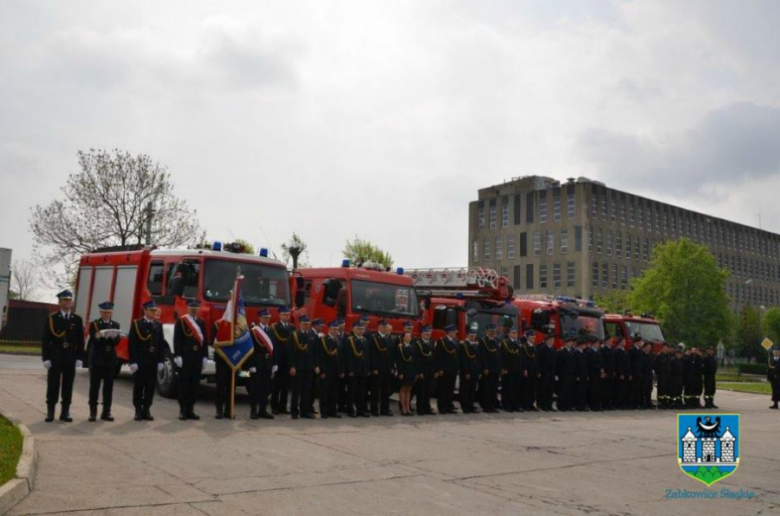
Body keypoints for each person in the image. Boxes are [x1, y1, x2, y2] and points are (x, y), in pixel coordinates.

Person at [42, 290, 85, 423]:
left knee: (68, 385)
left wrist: (79, 357)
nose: (68, 302)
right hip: (56, 354)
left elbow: (80, 340)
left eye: (69, 300)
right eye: (65, 300)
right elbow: (46, 339)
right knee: (53, 384)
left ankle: (65, 412)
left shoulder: (77, 319)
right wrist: (46, 358)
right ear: (59, 302)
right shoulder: (52, 318)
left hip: (70, 355)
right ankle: (50, 411)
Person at [128, 300, 165, 421]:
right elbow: (132, 344)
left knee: (150, 387)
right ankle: (138, 410)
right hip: (140, 361)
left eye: (155, 310)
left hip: (153, 361)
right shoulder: (137, 324)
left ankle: (146, 409)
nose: (154, 312)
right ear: (145, 310)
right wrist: (133, 361)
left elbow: (160, 344)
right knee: (139, 386)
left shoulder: (158, 325)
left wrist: (161, 360)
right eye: (151, 310)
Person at [173, 300, 208, 420]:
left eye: (196, 308)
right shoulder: (182, 321)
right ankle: (182, 410)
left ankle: (190, 409)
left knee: (194, 385)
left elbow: (204, 341)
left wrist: (205, 356)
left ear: (198, 309)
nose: (194, 310)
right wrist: (177, 356)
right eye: (191, 308)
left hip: (197, 358)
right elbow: (177, 339)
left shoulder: (201, 322)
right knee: (184, 384)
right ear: (187, 308)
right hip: (185, 357)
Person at [87, 301, 120, 422]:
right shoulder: (95, 324)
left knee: (108, 388)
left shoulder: (115, 324)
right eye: (105, 312)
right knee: (94, 387)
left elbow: (116, 343)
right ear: (100, 312)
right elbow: (93, 342)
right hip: (98, 359)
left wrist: (114, 338)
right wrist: (100, 337)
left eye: (109, 312)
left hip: (110, 359)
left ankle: (106, 412)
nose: (107, 314)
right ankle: (93, 412)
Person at [248, 309, 276, 420]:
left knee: (266, 388)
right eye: (264, 317)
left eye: (268, 317)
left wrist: (274, 364)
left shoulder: (270, 330)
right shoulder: (254, 331)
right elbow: (251, 349)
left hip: (268, 363)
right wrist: (251, 365)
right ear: (259, 318)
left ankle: (263, 410)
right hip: (258, 363)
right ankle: (253, 410)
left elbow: (274, 348)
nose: (266, 319)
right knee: (255, 388)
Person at [289, 316, 315, 419]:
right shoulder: (294, 335)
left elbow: (314, 352)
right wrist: (292, 366)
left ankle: (305, 411)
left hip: (308, 367)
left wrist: (313, 365)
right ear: (300, 324)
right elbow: (291, 352)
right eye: (304, 324)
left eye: (308, 324)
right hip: (298, 367)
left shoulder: (311, 335)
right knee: (296, 391)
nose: (306, 326)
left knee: (306, 390)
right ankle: (294, 411)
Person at [317, 322, 344, 419]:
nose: (336, 331)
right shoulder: (323, 340)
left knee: (334, 392)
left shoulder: (339, 340)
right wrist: (322, 371)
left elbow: (340, 357)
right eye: (334, 329)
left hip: (335, 370)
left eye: (337, 329)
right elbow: (320, 357)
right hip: (326, 370)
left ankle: (333, 410)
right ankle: (324, 411)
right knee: (324, 392)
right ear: (329, 329)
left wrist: (341, 370)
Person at [270, 307, 293, 415]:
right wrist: (273, 362)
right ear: (279, 315)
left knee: (285, 386)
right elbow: (273, 345)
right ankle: (274, 407)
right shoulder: (274, 327)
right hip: (278, 360)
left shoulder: (292, 328)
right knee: (276, 386)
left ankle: (283, 407)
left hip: (287, 360)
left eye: (288, 315)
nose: (286, 316)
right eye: (284, 315)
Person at [369, 320, 394, 416]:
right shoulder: (374, 338)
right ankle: (374, 409)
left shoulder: (388, 338)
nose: (384, 329)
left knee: (386, 390)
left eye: (386, 327)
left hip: (387, 368)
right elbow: (373, 354)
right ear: (379, 327)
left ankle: (385, 409)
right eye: (383, 327)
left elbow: (390, 355)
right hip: (378, 368)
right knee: (375, 390)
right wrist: (374, 367)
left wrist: (391, 366)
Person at [345, 322, 371, 417]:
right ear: (354, 330)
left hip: (363, 370)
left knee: (362, 391)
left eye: (362, 329)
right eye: (359, 329)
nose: (361, 331)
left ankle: (361, 410)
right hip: (354, 370)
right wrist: (350, 370)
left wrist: (368, 369)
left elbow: (367, 356)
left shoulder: (365, 340)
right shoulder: (350, 340)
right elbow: (348, 357)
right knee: (352, 391)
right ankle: (350, 410)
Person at [435, 325, 459, 414]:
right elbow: (439, 356)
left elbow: (456, 357)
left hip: (453, 369)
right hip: (445, 369)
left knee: (450, 389)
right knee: (443, 389)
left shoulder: (455, 341)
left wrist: (457, 368)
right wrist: (440, 368)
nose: (455, 333)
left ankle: (449, 406)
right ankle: (442, 407)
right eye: (453, 332)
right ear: (449, 332)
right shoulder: (442, 341)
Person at [212, 320, 233, 420]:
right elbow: (212, 341)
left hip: (234, 360)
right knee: (220, 385)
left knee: (231, 386)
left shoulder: (237, 326)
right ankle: (219, 409)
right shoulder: (218, 325)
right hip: (221, 360)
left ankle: (228, 410)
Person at [413, 325, 436, 415]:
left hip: (430, 370)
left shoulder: (431, 342)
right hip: (422, 371)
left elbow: (434, 357)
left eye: (429, 334)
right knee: (421, 391)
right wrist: (419, 372)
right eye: (426, 334)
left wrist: (434, 370)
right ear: (422, 334)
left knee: (428, 391)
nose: (428, 336)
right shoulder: (418, 343)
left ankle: (427, 407)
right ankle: (420, 408)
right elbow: (417, 359)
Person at [479, 323, 501, 413]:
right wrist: (484, 367)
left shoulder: (496, 341)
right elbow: (482, 356)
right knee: (486, 388)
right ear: (487, 331)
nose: (493, 333)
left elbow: (499, 355)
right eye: (491, 331)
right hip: (488, 368)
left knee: (493, 388)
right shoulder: (483, 341)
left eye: (494, 331)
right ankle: (485, 406)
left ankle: (492, 405)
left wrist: (500, 367)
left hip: (495, 368)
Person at [500, 327, 522, 412]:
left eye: (516, 333)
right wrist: (503, 368)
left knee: (516, 388)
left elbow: (520, 357)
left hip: (517, 368)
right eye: (513, 333)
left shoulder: (518, 343)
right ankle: (507, 405)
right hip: (508, 369)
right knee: (508, 388)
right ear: (509, 334)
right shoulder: (505, 343)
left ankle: (515, 404)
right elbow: (503, 356)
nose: (514, 334)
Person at [459, 326, 481, 414]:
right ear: (467, 335)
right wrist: (466, 371)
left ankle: (471, 405)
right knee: (465, 390)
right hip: (467, 371)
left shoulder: (476, 345)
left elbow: (478, 359)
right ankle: (465, 407)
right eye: (471, 335)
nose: (473, 337)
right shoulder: (463, 345)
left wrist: (479, 371)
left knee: (472, 390)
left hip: (475, 370)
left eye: (474, 335)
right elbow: (463, 359)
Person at [555, 331, 577, 411]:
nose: (570, 344)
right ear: (565, 343)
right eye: (569, 342)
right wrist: (559, 374)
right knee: (563, 390)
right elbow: (559, 364)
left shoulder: (573, 352)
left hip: (571, 374)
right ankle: (561, 405)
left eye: (571, 342)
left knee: (570, 390)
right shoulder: (562, 352)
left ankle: (568, 405)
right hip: (564, 374)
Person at [396, 330, 416, 416]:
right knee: (403, 389)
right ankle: (403, 408)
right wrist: (400, 372)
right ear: (403, 338)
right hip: (404, 371)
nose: (408, 338)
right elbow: (399, 361)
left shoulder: (412, 347)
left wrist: (416, 372)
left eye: (409, 336)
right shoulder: (400, 347)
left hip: (411, 371)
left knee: (409, 389)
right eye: (407, 336)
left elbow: (415, 361)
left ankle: (408, 408)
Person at [536, 329, 556, 412]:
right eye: (550, 340)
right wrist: (539, 371)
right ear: (547, 340)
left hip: (551, 373)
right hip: (544, 372)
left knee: (550, 389)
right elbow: (539, 361)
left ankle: (549, 404)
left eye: (553, 340)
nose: (552, 342)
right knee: (543, 389)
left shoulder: (553, 349)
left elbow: (555, 362)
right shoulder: (542, 349)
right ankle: (541, 404)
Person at [586, 336, 605, 411]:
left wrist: (602, 369)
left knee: (598, 390)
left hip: (599, 373)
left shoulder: (599, 352)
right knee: (592, 390)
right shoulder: (589, 352)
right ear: (593, 344)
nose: (598, 344)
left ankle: (598, 405)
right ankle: (592, 405)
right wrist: (599, 369)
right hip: (593, 373)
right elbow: (591, 363)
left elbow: (602, 362)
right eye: (596, 343)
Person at [653, 343, 672, 410]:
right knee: (661, 389)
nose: (666, 348)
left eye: (667, 347)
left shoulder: (668, 355)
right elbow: (656, 365)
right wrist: (658, 373)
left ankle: (665, 402)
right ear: (663, 347)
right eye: (665, 347)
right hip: (662, 375)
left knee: (667, 389)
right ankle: (660, 403)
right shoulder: (659, 355)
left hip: (668, 375)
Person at [613, 336, 630, 409]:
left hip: (626, 373)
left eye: (624, 342)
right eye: (623, 342)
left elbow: (628, 363)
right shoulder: (618, 351)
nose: (624, 343)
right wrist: (620, 373)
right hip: (621, 373)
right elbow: (618, 364)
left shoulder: (625, 351)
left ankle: (623, 403)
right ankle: (618, 404)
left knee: (625, 389)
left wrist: (629, 373)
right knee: (619, 389)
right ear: (619, 343)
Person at [628, 335, 644, 409]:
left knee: (638, 388)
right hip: (633, 372)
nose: (642, 343)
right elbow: (629, 362)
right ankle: (630, 403)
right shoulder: (631, 350)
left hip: (639, 372)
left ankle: (636, 403)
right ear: (637, 342)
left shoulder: (641, 351)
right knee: (632, 388)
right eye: (641, 341)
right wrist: (630, 373)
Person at [599, 336, 615, 410]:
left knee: (610, 389)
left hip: (611, 371)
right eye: (610, 340)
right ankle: (603, 404)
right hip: (606, 371)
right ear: (606, 341)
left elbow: (613, 361)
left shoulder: (612, 349)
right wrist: (603, 371)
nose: (611, 342)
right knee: (604, 389)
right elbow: (602, 361)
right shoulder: (603, 349)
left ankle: (608, 404)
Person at [574, 335, 589, 411]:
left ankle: (582, 405)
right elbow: (575, 365)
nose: (585, 346)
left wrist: (586, 375)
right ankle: (578, 406)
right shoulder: (576, 353)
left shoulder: (584, 353)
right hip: (579, 375)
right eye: (583, 344)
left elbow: (585, 365)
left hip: (584, 375)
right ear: (580, 345)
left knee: (583, 391)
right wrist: (577, 375)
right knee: (578, 391)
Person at [641, 341, 654, 409]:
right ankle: (642, 402)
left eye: (650, 347)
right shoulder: (642, 355)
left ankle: (648, 402)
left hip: (649, 374)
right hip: (644, 374)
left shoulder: (650, 355)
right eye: (647, 347)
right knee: (643, 389)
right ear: (644, 347)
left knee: (649, 389)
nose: (649, 348)